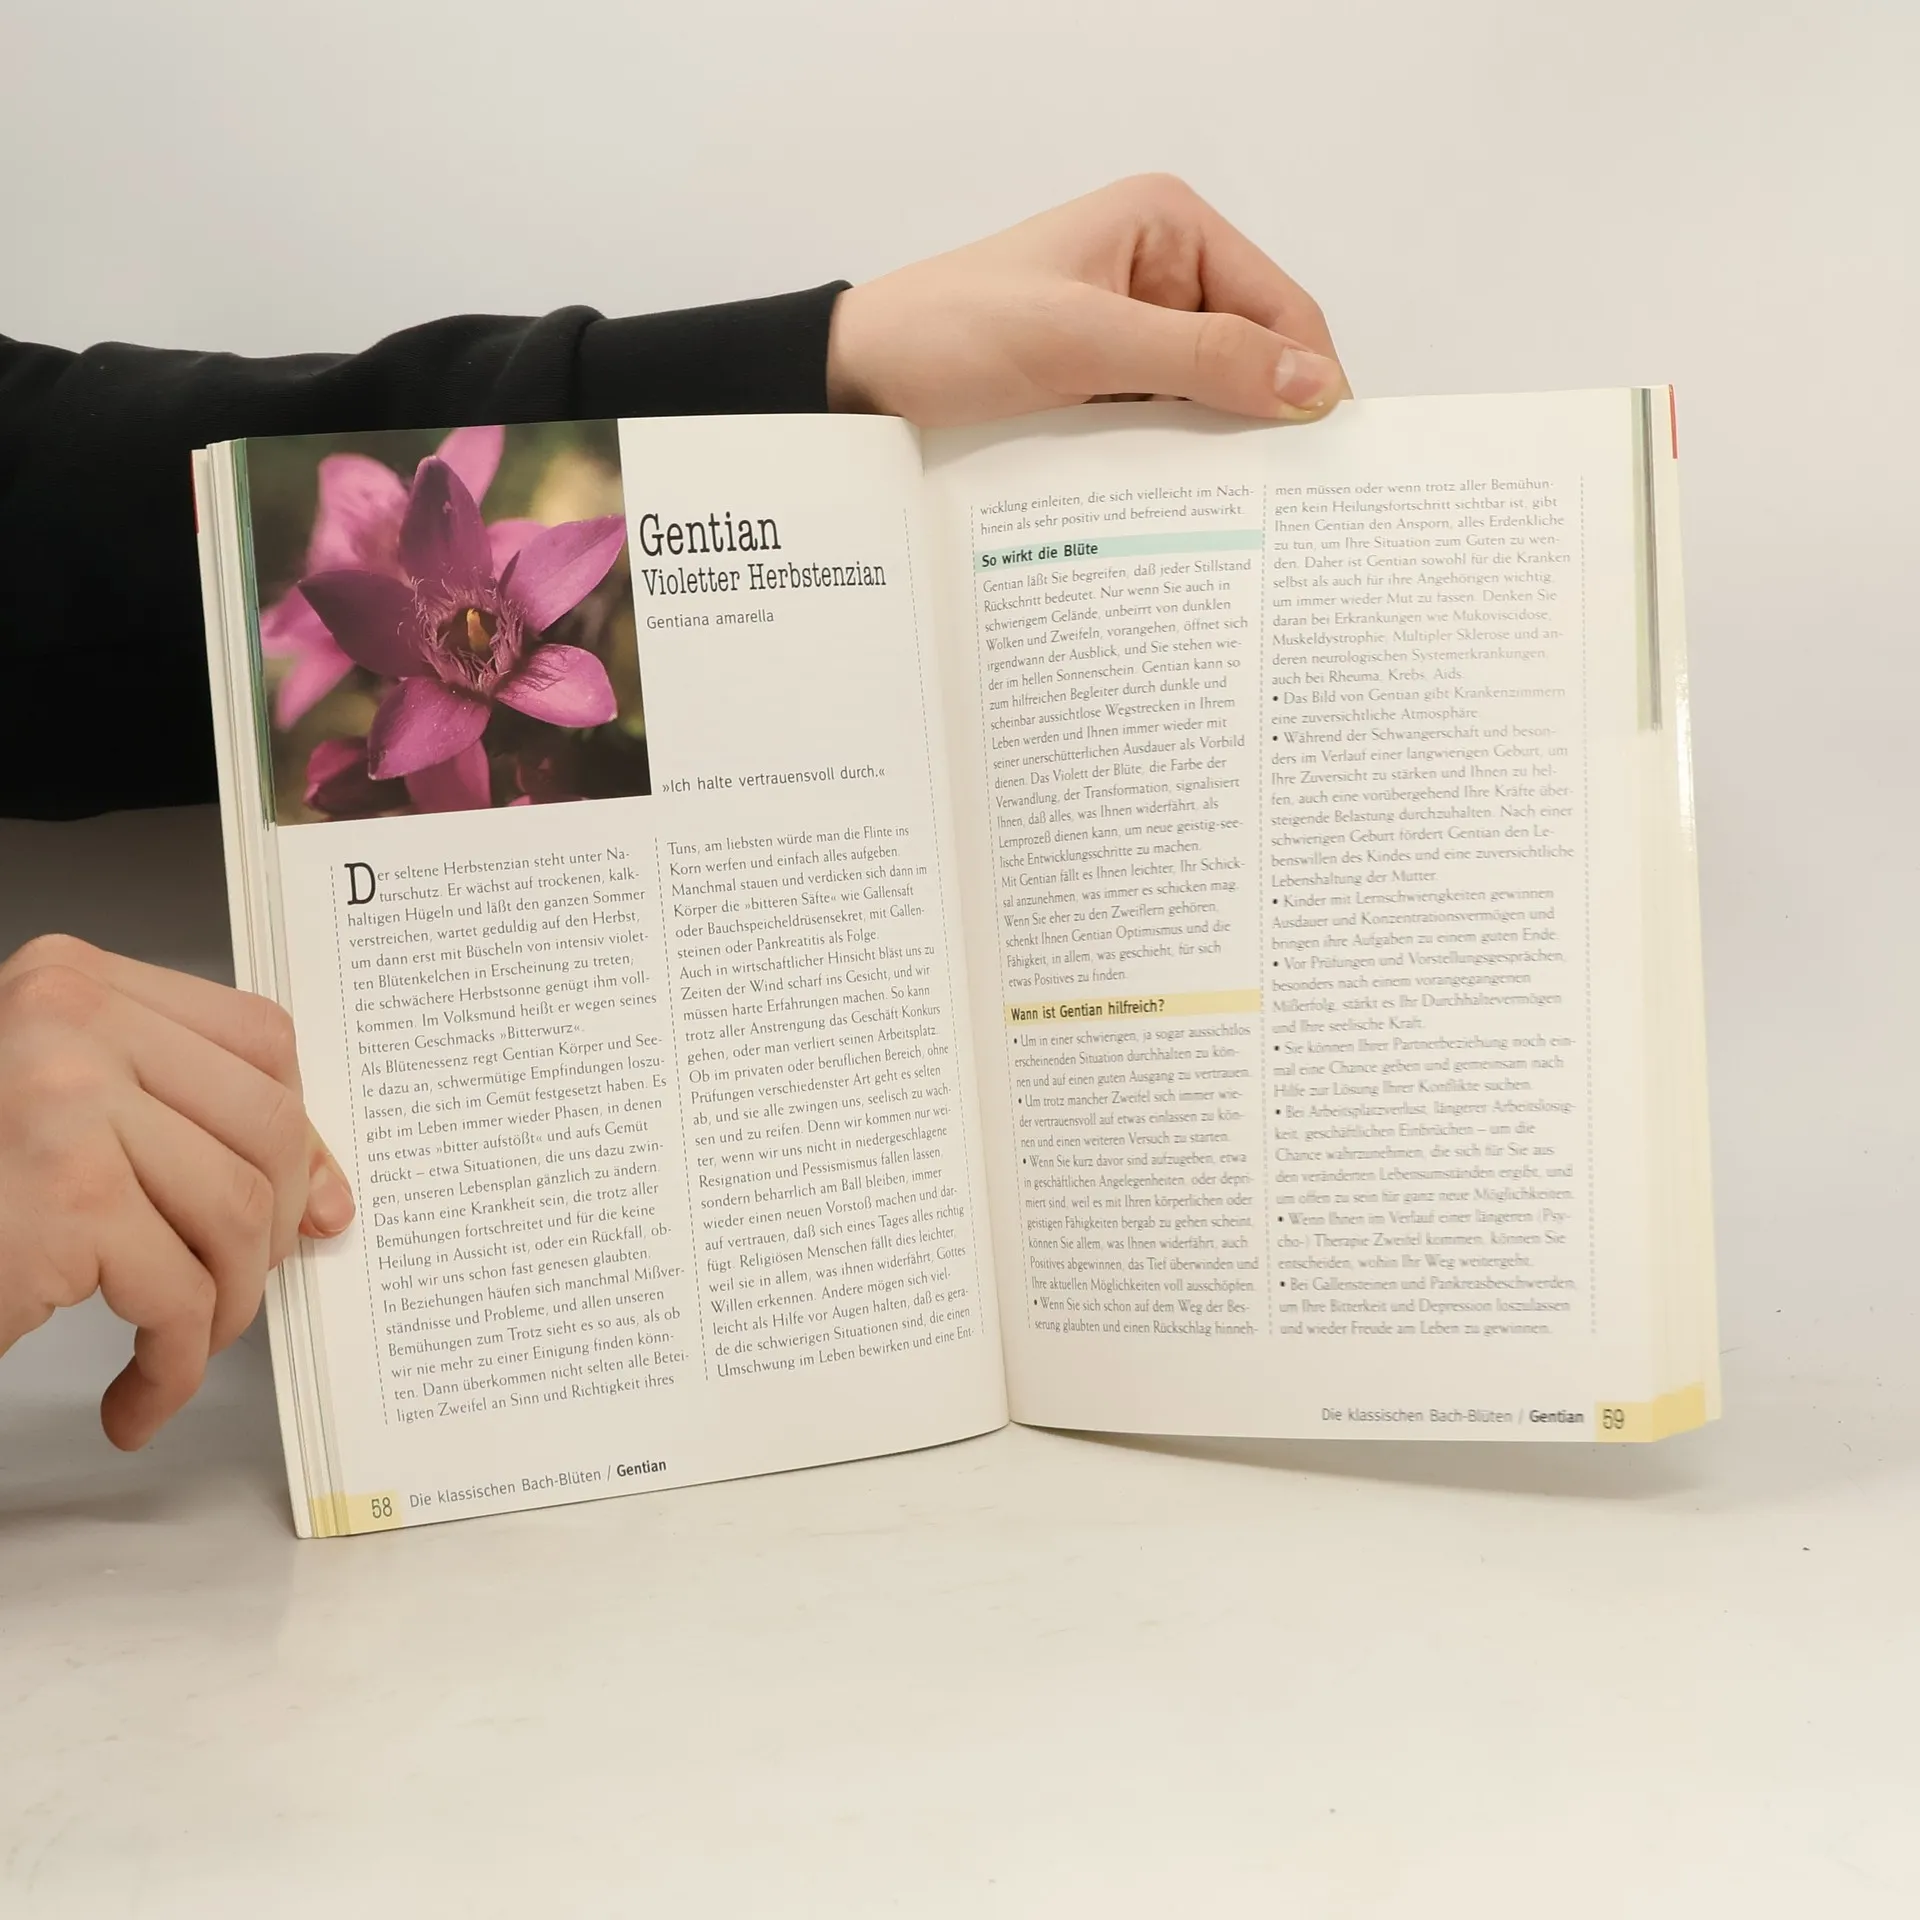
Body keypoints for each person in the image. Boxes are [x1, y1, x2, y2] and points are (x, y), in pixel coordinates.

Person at [0, 175, 1347, 1450]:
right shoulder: (424, 684)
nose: (468, 634)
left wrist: (829, 360)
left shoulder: (513, 632)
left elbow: (40, 499)